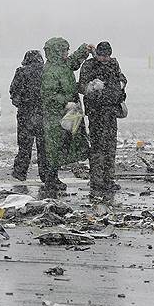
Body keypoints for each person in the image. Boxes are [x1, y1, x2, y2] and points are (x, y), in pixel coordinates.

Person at [40, 37, 92, 192]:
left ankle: (54, 176)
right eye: (64, 50)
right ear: (57, 51)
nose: (67, 53)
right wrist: (65, 102)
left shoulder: (63, 64)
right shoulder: (50, 71)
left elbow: (74, 61)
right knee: (55, 147)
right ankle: (51, 179)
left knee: (73, 141)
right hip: (56, 115)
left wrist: (84, 50)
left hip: (71, 112)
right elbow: (49, 95)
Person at [78, 41, 127, 195]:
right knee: (98, 147)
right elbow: (81, 86)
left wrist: (119, 86)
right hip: (96, 113)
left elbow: (122, 79)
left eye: (107, 56)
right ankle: (97, 180)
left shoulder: (113, 64)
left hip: (111, 112)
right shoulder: (89, 66)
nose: (104, 59)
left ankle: (108, 179)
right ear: (97, 54)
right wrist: (92, 88)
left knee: (110, 147)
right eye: (102, 56)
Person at [9, 50, 45, 181]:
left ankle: (20, 172)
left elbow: (14, 92)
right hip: (42, 114)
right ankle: (45, 175)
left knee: (24, 146)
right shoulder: (46, 72)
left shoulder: (21, 72)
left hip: (26, 114)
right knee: (43, 147)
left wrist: (21, 104)